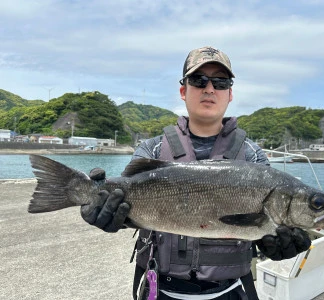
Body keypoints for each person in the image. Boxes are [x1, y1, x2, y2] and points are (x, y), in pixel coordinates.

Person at [81, 46, 311, 300]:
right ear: (183, 90)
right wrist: (106, 210)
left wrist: (275, 245)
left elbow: (260, 228)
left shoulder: (253, 157)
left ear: (230, 94)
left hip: (231, 288)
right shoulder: (152, 149)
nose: (209, 88)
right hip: (160, 288)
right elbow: (125, 205)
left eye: (220, 82)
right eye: (198, 80)